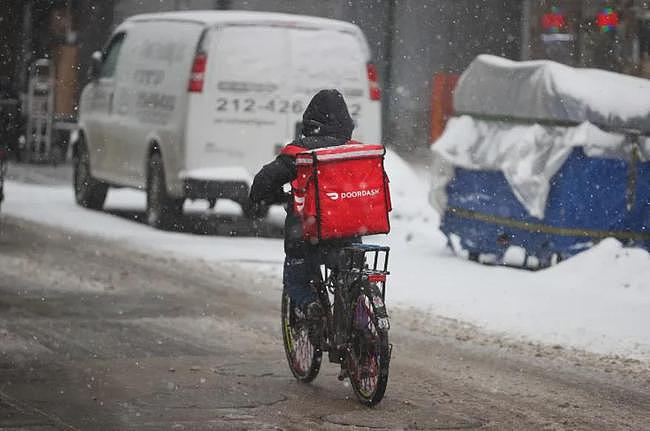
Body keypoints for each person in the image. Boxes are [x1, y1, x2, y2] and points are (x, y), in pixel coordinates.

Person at [249, 89, 357, 319]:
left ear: (309, 120)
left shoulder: (300, 152)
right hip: (349, 234)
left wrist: (264, 198)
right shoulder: (354, 152)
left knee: (296, 277)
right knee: (351, 278)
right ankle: (362, 321)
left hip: (308, 237)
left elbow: (264, 181)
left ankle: (309, 305)